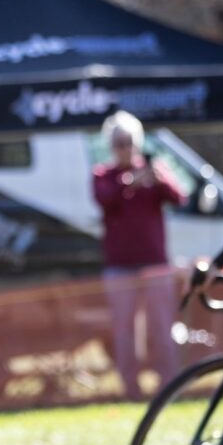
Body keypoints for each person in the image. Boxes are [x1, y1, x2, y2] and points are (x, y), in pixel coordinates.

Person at [92, 111, 186, 399]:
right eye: (119, 143)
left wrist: (159, 180)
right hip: (120, 266)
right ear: (111, 145)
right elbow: (105, 199)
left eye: (129, 142)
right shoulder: (103, 175)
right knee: (125, 331)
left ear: (137, 143)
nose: (124, 148)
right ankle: (131, 388)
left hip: (155, 263)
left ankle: (169, 385)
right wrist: (130, 182)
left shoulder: (153, 170)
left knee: (162, 327)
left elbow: (179, 198)